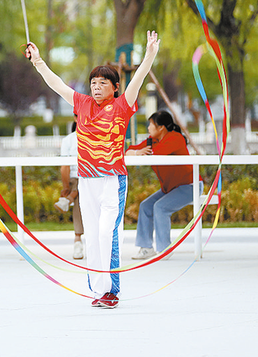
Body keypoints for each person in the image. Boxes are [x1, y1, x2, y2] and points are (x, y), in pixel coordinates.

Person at [26, 31, 160, 309]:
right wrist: (38, 61)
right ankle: (99, 290)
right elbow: (57, 84)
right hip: (86, 181)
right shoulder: (82, 104)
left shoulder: (122, 105)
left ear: (115, 87)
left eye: (103, 83)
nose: (96, 87)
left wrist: (149, 55)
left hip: (112, 180)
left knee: (106, 234)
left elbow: (138, 79)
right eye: (93, 83)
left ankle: (112, 290)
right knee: (92, 238)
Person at [126, 110, 204, 260]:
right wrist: (137, 152)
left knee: (160, 207)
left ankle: (165, 249)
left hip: (189, 186)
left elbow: (156, 154)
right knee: (146, 206)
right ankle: (146, 248)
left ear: (161, 127)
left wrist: (143, 152)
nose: (148, 128)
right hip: (171, 188)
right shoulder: (151, 141)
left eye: (151, 124)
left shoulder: (176, 138)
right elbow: (129, 151)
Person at [56, 115, 85, 260]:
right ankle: (78, 240)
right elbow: (65, 166)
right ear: (75, 118)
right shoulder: (69, 140)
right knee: (81, 189)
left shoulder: (97, 137)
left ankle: (77, 240)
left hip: (91, 177)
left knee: (83, 187)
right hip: (76, 179)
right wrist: (66, 186)